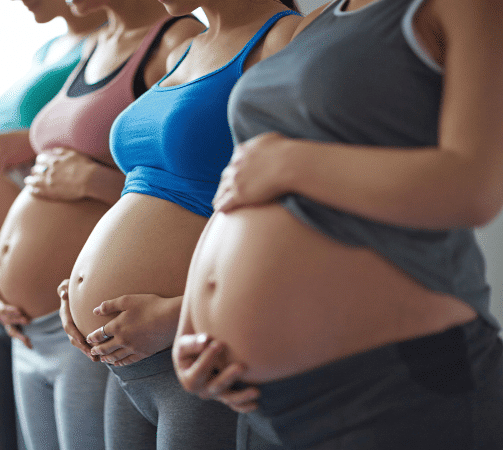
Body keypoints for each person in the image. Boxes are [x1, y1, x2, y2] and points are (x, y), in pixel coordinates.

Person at [172, 0, 503, 448]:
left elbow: (474, 188)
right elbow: (241, 185)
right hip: (261, 400)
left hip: (395, 387)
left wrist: (291, 163)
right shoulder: (313, 23)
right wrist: (190, 326)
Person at [56, 0, 302, 448]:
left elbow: (300, 220)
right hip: (125, 362)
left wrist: (177, 316)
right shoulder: (182, 51)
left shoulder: (285, 39)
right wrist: (77, 290)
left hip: (197, 351)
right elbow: (141, 194)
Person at [0, 0, 205, 448]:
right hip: (34, 323)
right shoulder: (94, 45)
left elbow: (180, 176)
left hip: (99, 330)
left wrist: (94, 180)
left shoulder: (178, 38)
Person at [0, 1, 106, 448]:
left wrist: (30, 143)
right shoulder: (49, 48)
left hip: (54, 303)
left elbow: (88, 143)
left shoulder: (118, 44)